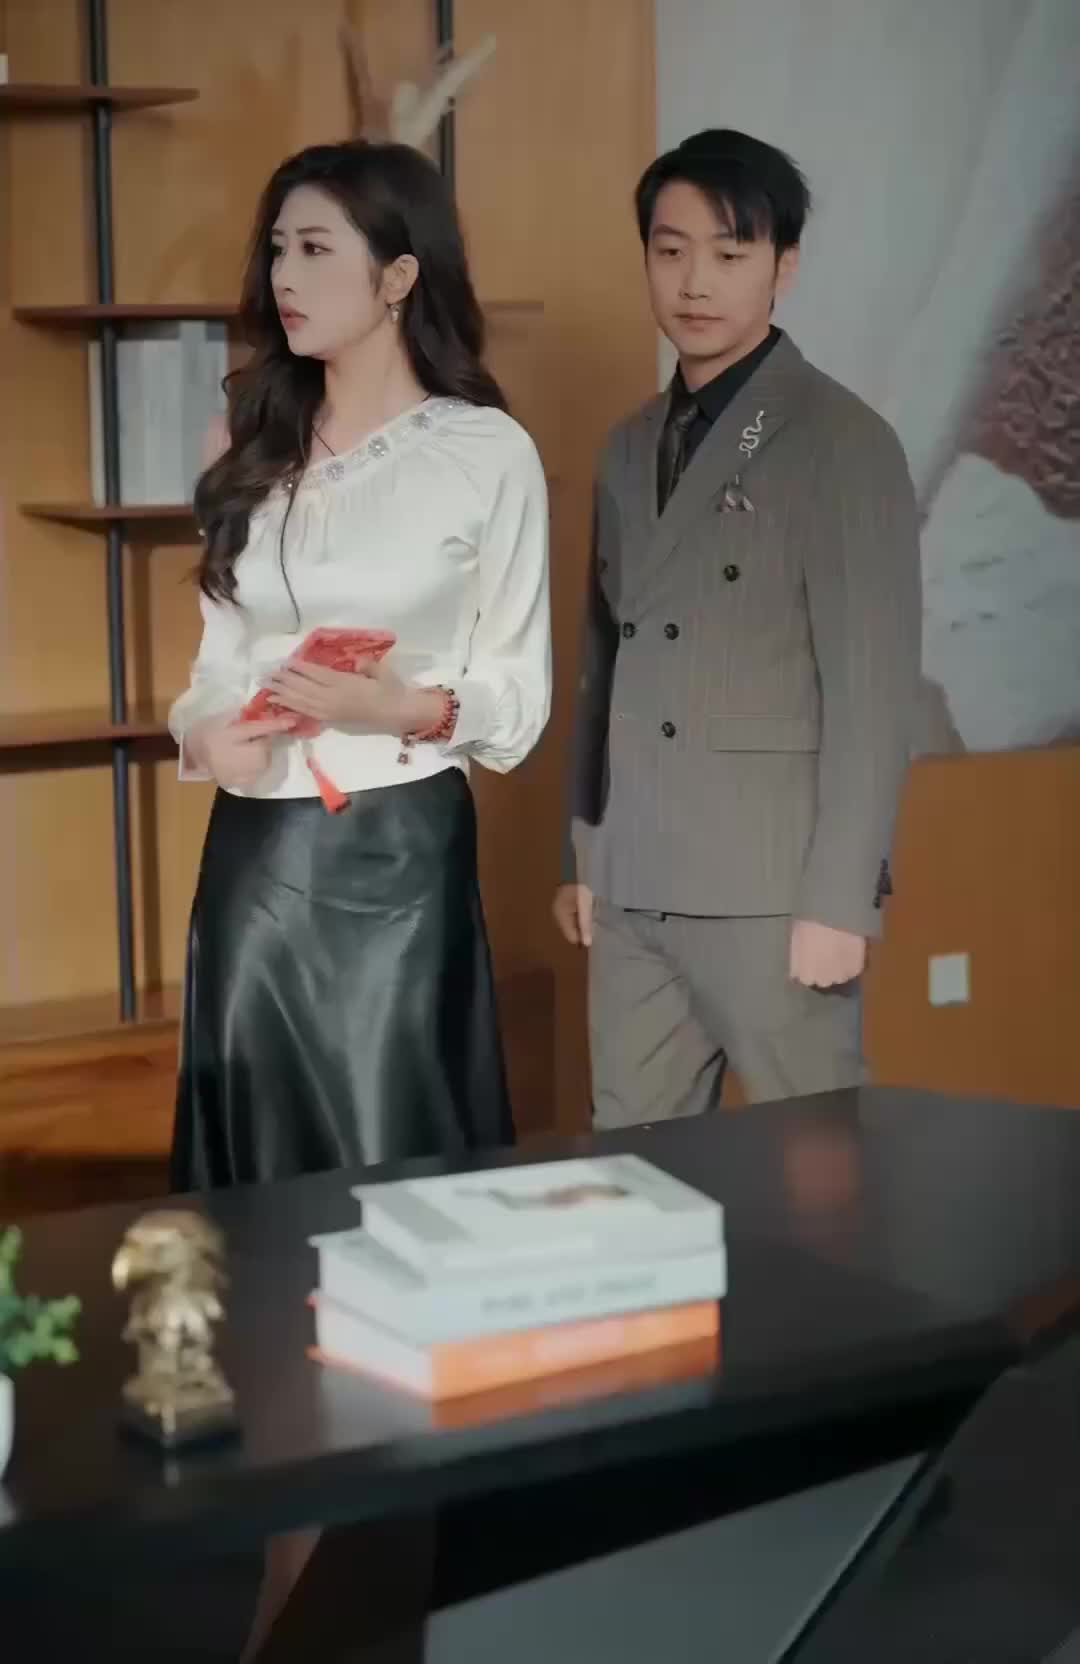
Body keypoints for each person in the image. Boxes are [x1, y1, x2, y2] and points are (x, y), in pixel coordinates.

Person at [169, 139, 550, 1191]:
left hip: (399, 852)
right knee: (256, 1162)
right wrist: (206, 738)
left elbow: (519, 694)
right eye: (277, 249)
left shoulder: (486, 453)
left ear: (397, 276)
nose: (283, 276)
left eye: (315, 248)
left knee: (395, 1143)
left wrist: (403, 708)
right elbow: (215, 664)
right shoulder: (244, 439)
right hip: (255, 853)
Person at [554, 128, 921, 1116]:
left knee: (820, 1160)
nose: (695, 282)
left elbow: (873, 694)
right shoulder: (628, 444)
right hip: (632, 885)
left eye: (729, 253)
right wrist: (584, 854)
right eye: (670, 250)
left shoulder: (840, 439)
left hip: (772, 891)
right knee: (632, 1162)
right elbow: (600, 665)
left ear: (782, 268)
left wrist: (841, 901)